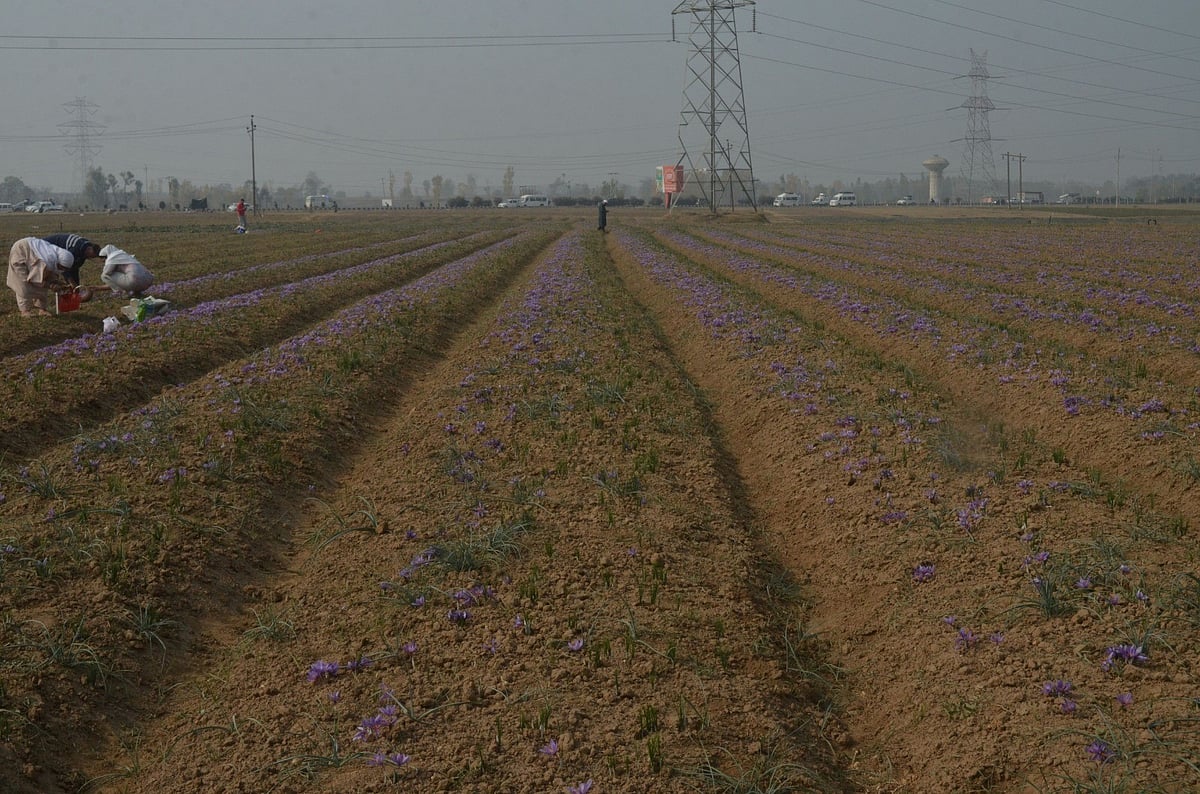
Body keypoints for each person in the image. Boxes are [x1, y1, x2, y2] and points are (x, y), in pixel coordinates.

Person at [6, 237, 74, 317]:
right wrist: (51, 285)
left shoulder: (55, 257)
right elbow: (36, 279)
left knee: (44, 280)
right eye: (62, 267)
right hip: (21, 250)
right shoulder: (47, 259)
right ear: (59, 262)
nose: (62, 270)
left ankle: (42, 310)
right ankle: (25, 311)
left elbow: (49, 275)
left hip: (33, 252)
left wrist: (57, 282)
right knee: (23, 283)